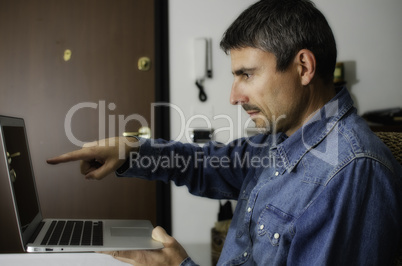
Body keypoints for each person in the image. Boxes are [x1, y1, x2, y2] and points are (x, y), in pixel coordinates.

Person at [47, 0, 402, 265]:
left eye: (246, 74)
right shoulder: (282, 136)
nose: (233, 97)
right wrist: (132, 150)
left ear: (304, 67)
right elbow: (209, 164)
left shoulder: (353, 172)